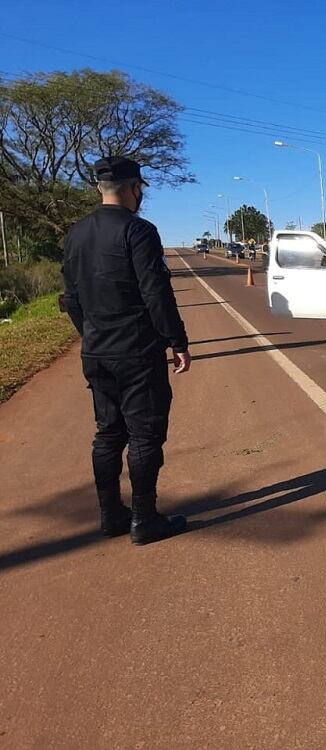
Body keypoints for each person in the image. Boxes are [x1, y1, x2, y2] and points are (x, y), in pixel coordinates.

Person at [62, 156, 190, 546]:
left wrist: (91, 335)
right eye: (141, 190)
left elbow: (71, 297)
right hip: (136, 352)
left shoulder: (75, 234)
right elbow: (155, 292)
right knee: (145, 435)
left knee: (108, 433)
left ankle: (110, 515)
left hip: (97, 351)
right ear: (134, 188)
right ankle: (144, 519)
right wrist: (177, 340)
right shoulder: (139, 231)